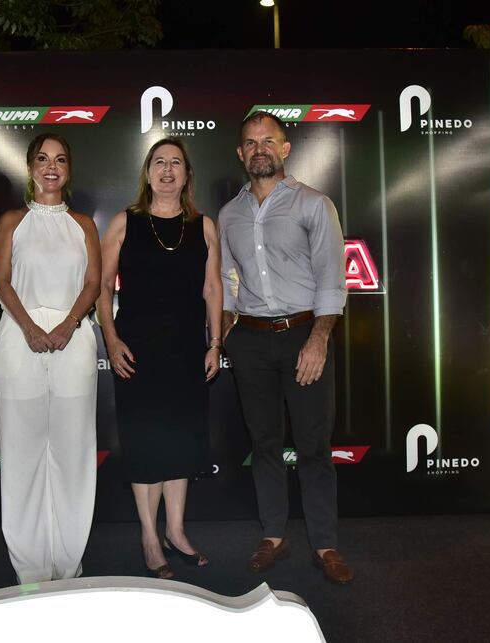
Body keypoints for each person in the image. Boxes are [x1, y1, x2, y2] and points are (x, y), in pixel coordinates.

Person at [219, 111, 353, 584]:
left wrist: (318, 339)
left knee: (314, 446)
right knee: (264, 443)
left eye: (268, 141)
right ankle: (273, 535)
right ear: (240, 153)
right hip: (250, 341)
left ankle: (325, 544)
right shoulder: (229, 214)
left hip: (304, 335)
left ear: (285, 148)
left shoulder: (314, 205)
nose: (260, 149)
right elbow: (226, 282)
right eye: (250, 142)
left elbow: (332, 280)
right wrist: (225, 334)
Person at [97, 138, 222, 579]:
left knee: (180, 440)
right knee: (146, 441)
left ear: (187, 175)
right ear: (147, 173)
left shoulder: (204, 225)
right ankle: (150, 536)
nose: (167, 170)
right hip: (137, 351)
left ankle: (177, 530)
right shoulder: (124, 223)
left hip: (186, 350)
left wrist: (215, 342)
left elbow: (212, 289)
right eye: (159, 163)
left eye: (176, 164)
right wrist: (110, 339)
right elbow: (103, 288)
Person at [0, 133, 101, 584]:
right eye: (42, 158)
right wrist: (32, 329)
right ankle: (31, 566)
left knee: (74, 453)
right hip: (19, 341)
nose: (51, 167)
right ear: (30, 167)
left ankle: (69, 562)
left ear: (69, 169)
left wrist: (68, 324)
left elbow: (94, 283)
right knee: (21, 453)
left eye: (60, 159)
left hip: (74, 341)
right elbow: (0, 281)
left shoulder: (83, 224)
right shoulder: (11, 221)